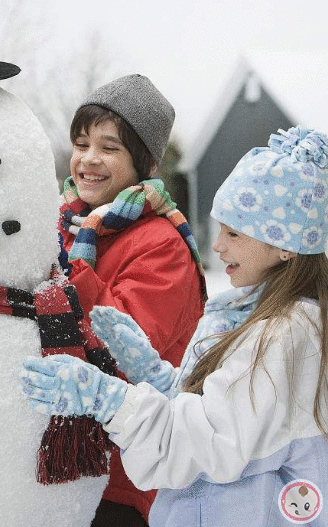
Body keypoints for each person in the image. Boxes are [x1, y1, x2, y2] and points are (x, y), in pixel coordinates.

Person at [23, 126, 328, 526]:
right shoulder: (260, 319)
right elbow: (226, 417)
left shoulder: (284, 338)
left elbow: (206, 444)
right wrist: (156, 376)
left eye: (234, 233)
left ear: (284, 246)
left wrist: (108, 398)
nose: (218, 245)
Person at [58, 74, 206, 526]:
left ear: (144, 163)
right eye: (81, 143)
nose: (88, 159)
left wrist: (71, 275)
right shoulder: (69, 229)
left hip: (125, 479)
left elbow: (121, 353)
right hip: (62, 469)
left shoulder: (162, 246)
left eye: (109, 147)